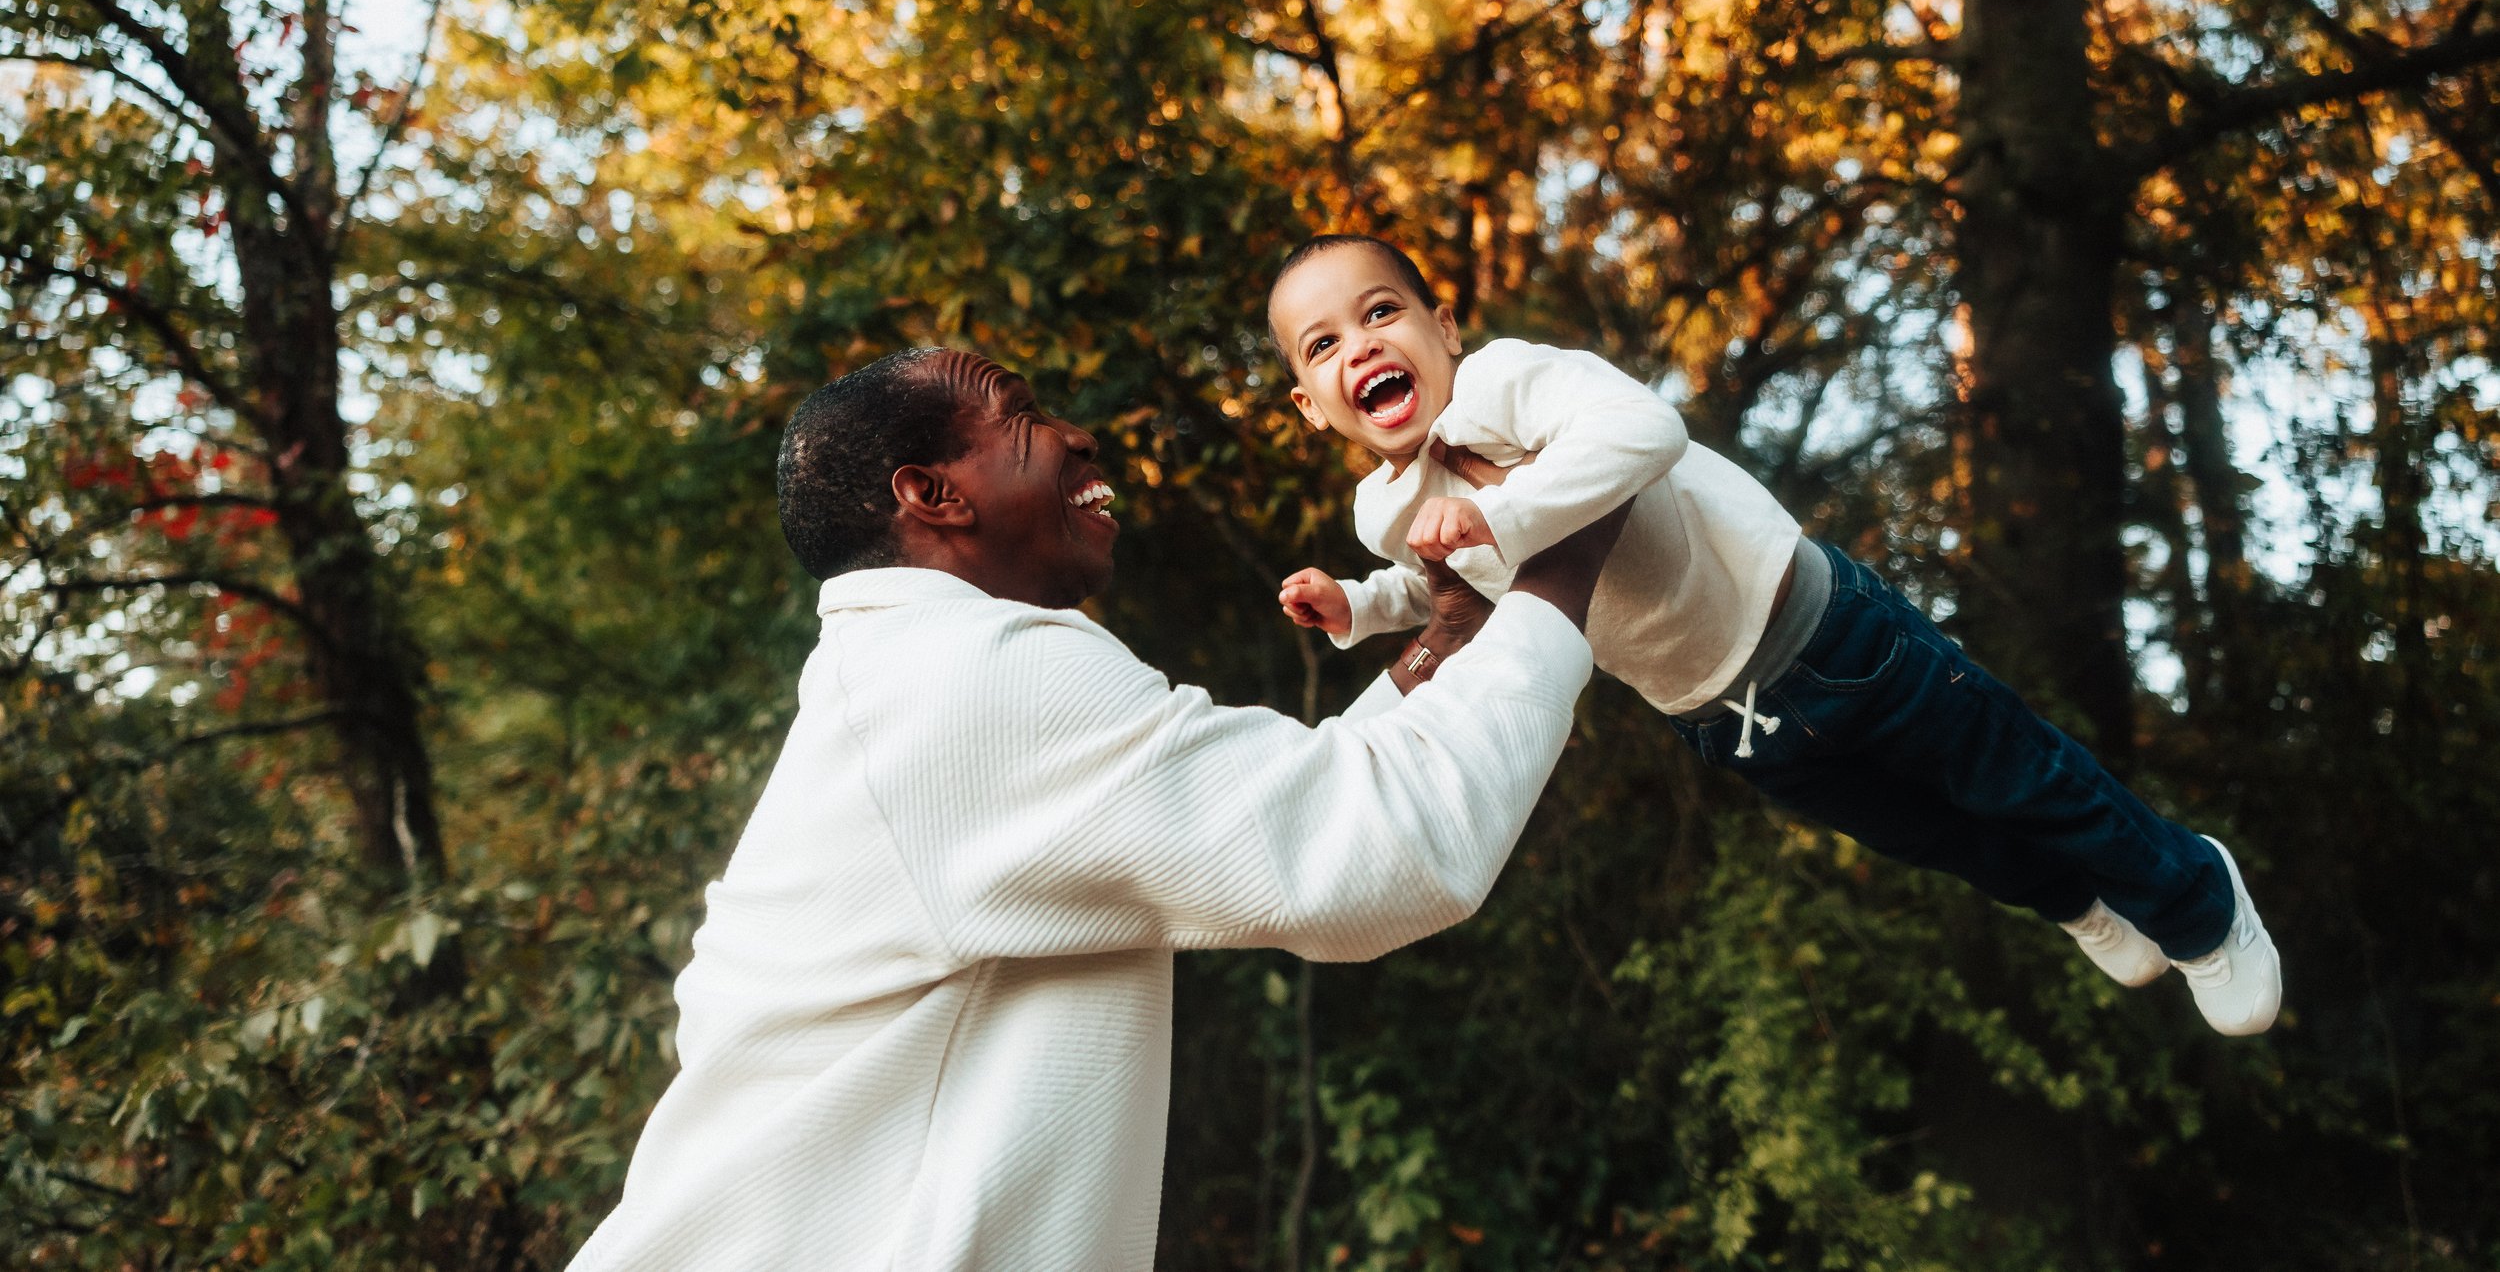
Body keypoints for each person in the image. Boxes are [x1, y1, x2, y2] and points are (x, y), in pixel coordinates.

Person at [564, 346, 1627, 1271]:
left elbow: (1305, 796)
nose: (1076, 434)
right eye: (1018, 414)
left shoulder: (905, 677)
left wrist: (1448, 633)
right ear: (932, 494)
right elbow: (1383, 846)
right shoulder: (962, 675)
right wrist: (1561, 567)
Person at [1267, 233, 2282, 1036]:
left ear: (1443, 327)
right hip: (1724, 718)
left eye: (1381, 310)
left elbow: (1642, 431)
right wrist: (1363, 606)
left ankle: (2195, 896)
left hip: (1826, 631)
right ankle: (2075, 898)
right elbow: (1447, 581)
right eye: (1323, 345)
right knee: (1931, 834)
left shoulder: (1506, 383)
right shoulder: (1381, 508)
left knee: (2015, 775)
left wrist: (1507, 514)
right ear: (1313, 407)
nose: (1359, 343)